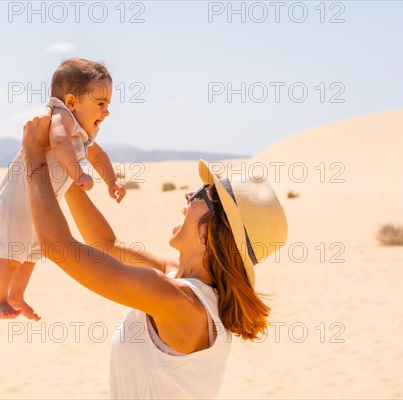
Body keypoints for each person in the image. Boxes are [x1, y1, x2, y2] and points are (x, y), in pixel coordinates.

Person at [21, 112, 289, 399]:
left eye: (202, 194)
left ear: (210, 231)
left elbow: (58, 246)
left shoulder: (176, 299)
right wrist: (63, 169)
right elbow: (105, 244)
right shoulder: (182, 280)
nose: (188, 195)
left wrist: (34, 154)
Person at [0, 58, 126, 320]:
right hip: (16, 202)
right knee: (12, 256)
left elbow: (98, 155)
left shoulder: (81, 133)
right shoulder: (60, 117)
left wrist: (112, 181)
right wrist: (78, 173)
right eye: (100, 104)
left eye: (108, 105)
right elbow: (60, 142)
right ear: (72, 102)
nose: (106, 111)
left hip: (36, 206)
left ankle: (16, 295)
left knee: (31, 254)